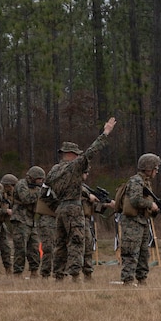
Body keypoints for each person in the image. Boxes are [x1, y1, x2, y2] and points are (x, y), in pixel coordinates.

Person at [47, 117, 117, 282]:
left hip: (60, 209)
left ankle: (58, 275)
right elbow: (91, 152)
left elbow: (49, 185)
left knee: (60, 243)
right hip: (73, 208)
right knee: (77, 241)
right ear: (71, 155)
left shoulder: (54, 170)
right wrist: (105, 133)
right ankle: (76, 276)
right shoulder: (73, 167)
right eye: (76, 155)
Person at [119, 153, 161, 286]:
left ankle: (142, 279)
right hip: (132, 223)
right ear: (148, 168)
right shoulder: (136, 181)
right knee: (131, 252)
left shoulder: (145, 183)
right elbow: (135, 199)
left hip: (142, 221)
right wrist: (151, 205)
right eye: (155, 168)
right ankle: (128, 281)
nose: (157, 171)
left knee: (143, 253)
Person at [10, 165, 45, 277]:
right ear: (32, 177)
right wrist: (40, 193)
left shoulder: (37, 188)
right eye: (39, 179)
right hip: (20, 220)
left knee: (34, 248)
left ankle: (34, 271)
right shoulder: (21, 184)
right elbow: (26, 199)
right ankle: (18, 273)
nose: (41, 181)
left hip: (31, 221)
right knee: (20, 248)